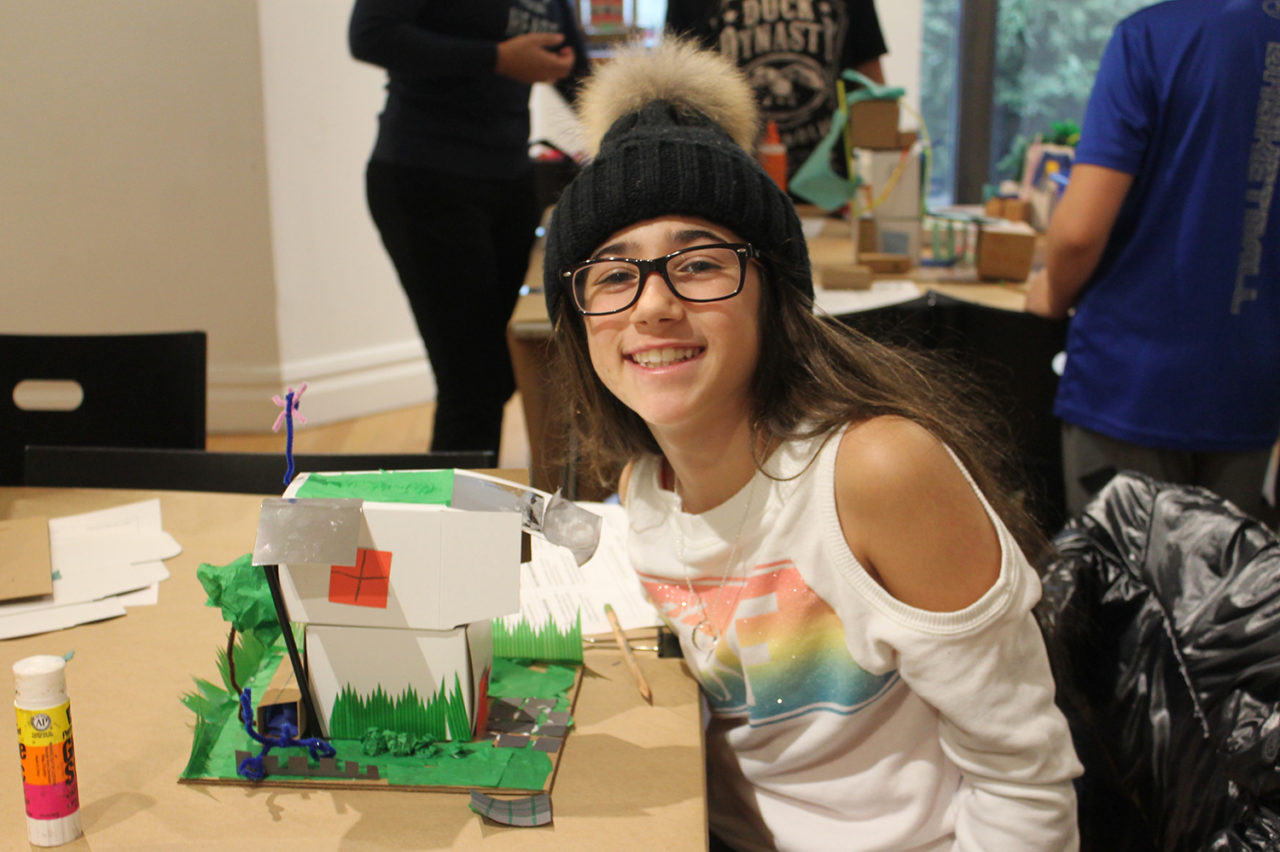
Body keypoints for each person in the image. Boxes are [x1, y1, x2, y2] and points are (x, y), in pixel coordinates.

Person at [543, 39, 1081, 851]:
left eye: (697, 263)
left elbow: (1024, 783)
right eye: (613, 275)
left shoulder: (874, 474)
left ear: (775, 293)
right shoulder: (643, 487)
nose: (651, 306)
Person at [1025, 0, 1280, 524]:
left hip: (1132, 384)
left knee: (1121, 595)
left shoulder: (1152, 38)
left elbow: (1077, 232)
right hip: (1250, 387)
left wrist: (1051, 291)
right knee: (1217, 596)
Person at [349, 0, 590, 456]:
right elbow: (369, 35)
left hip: (511, 181)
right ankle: (451, 522)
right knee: (470, 382)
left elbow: (574, 70)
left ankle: (470, 506)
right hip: (425, 179)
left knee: (496, 372)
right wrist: (496, 58)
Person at [666, 0, 887, 180]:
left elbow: (871, 88)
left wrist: (877, 179)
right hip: (733, 186)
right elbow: (677, 97)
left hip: (829, 189)